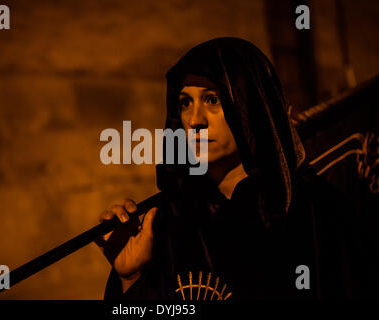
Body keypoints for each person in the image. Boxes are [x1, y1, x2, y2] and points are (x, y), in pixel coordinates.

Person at [94, 37, 377, 300]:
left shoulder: (320, 214)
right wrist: (130, 279)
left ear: (249, 107)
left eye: (212, 99)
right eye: (185, 103)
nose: (194, 121)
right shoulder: (167, 225)